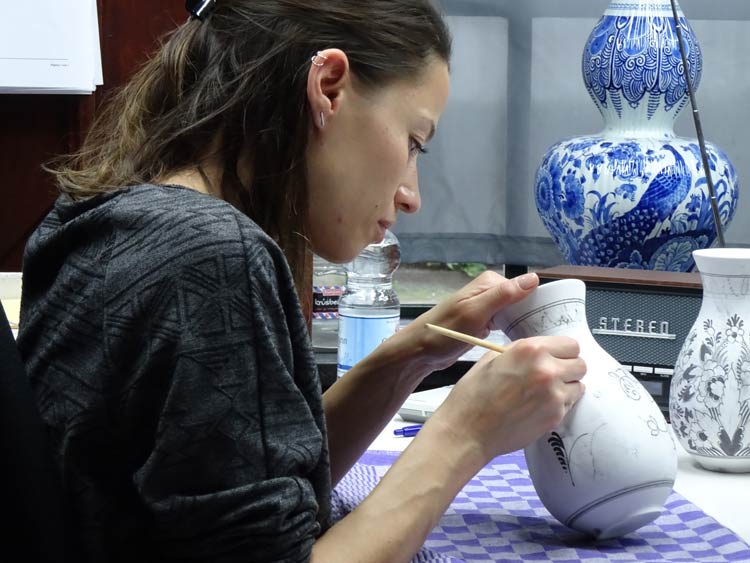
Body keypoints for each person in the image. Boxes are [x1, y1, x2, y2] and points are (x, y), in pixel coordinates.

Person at [17, 1, 586, 561]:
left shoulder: (111, 220)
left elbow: (252, 491)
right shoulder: (209, 254)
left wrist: (406, 358)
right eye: (414, 142)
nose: (412, 196)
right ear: (329, 86)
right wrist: (468, 432)